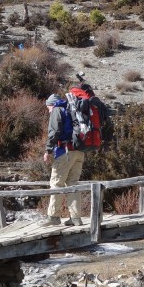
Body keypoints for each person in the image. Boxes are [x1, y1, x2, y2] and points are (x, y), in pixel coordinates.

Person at [42, 93, 85, 226]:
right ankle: (76, 218)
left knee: (56, 183)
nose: (48, 111)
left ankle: (53, 216)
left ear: (51, 104)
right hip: (79, 151)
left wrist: (48, 150)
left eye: (48, 108)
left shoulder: (57, 110)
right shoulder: (71, 108)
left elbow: (54, 132)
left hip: (65, 152)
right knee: (72, 183)